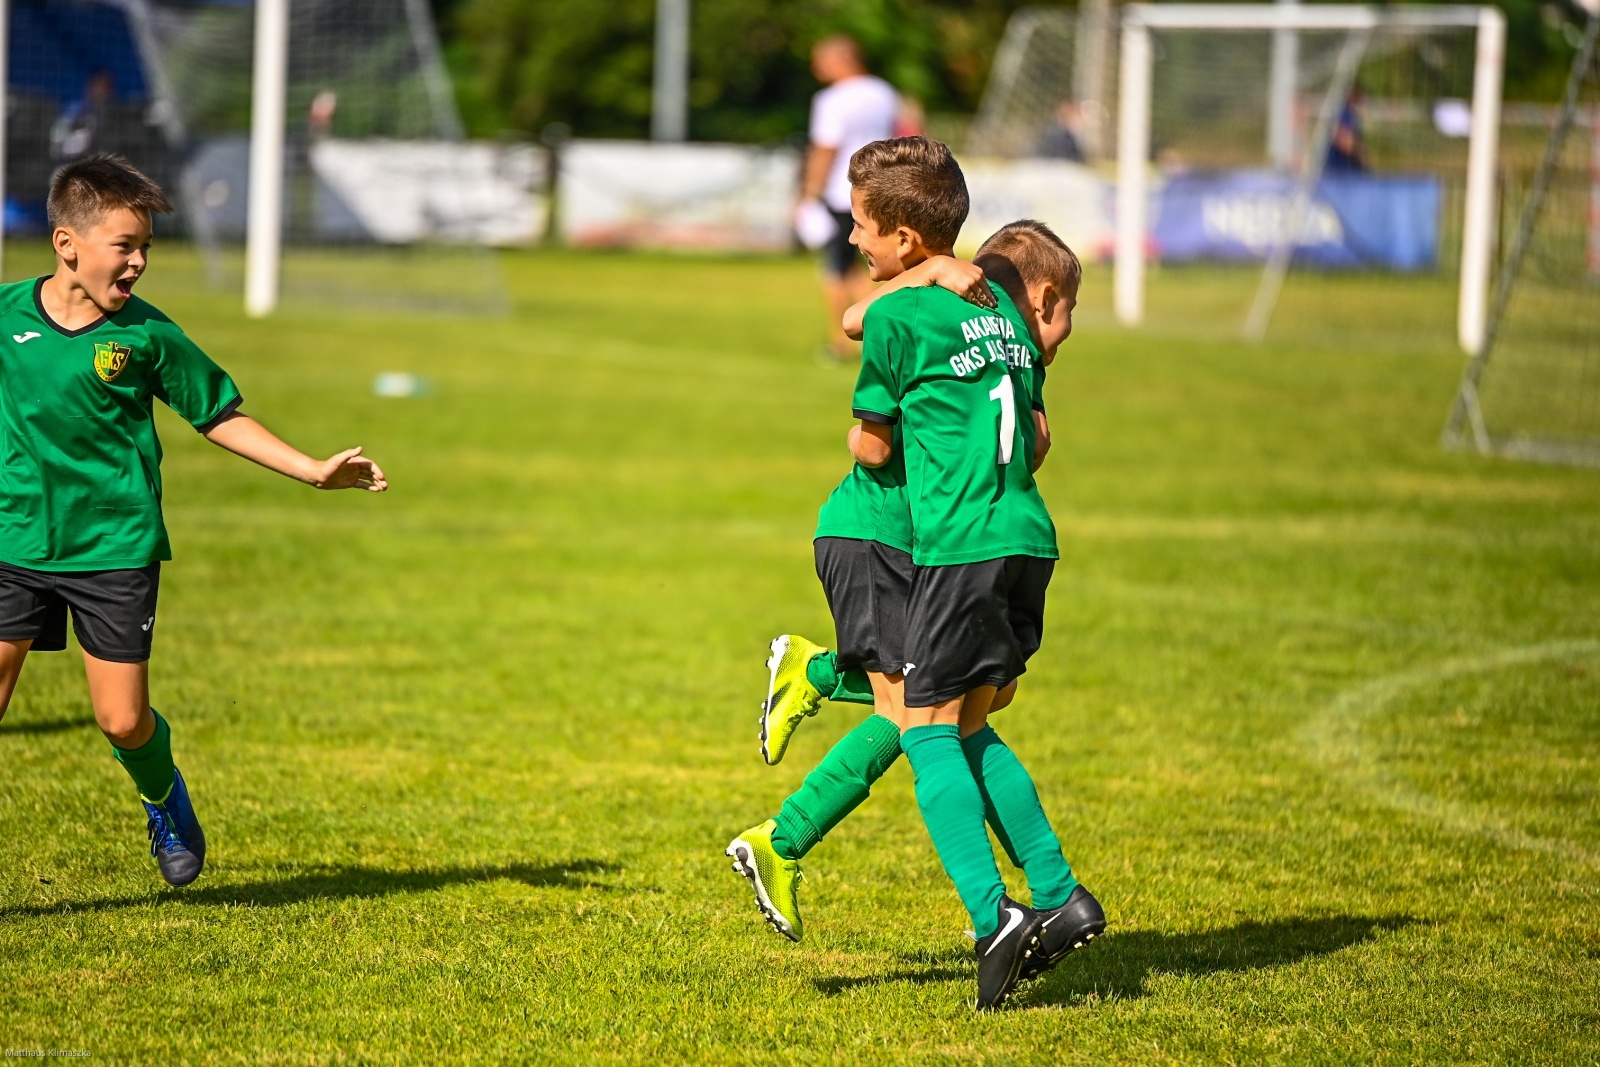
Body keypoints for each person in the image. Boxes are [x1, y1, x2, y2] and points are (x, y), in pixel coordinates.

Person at [731, 136, 1103, 1010]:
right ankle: (1054, 894)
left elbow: (867, 432)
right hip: (1014, 539)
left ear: (901, 234)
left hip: (937, 544)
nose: (851, 240)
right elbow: (1038, 440)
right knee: (955, 716)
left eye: (860, 226)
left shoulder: (905, 315)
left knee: (933, 725)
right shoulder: (1001, 319)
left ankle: (997, 914)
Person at [0, 154, 387, 888]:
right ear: (66, 244)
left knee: (121, 721)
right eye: (125, 245)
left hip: (113, 547)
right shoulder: (5, 316)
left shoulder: (148, 337)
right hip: (12, 539)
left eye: (146, 246)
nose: (140, 262)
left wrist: (311, 469)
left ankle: (163, 797)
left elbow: (218, 415)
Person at [799, 35, 899, 362]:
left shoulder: (832, 99)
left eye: (820, 61)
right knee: (870, 266)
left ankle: (839, 342)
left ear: (840, 60)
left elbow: (826, 148)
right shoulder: (884, 92)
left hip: (844, 194)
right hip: (882, 188)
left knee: (834, 269)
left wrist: (809, 193)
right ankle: (883, 332)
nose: (815, 69)